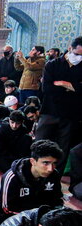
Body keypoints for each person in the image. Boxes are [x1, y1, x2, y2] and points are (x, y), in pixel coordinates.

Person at [35, 36, 82, 171]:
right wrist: (73, 87)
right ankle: (37, 174)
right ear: (69, 49)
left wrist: (63, 83)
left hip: (70, 114)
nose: (79, 58)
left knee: (62, 149)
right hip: (50, 111)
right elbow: (47, 88)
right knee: (40, 144)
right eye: (77, 54)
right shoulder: (53, 64)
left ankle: (55, 179)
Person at [0, 139, 63, 220]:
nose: (50, 169)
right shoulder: (12, 177)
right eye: (45, 163)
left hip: (44, 218)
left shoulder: (54, 175)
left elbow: (57, 200)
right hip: (16, 220)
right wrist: (36, 218)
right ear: (33, 161)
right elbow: (6, 209)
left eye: (54, 163)